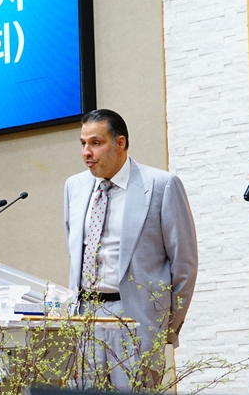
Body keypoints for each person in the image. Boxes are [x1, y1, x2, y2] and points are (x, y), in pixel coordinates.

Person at [64, 109, 198, 389]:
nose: (87, 152)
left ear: (120, 143)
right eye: (83, 143)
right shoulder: (74, 187)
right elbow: (75, 253)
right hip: (85, 317)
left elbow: (183, 264)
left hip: (136, 318)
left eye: (96, 143)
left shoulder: (160, 185)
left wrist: (165, 327)